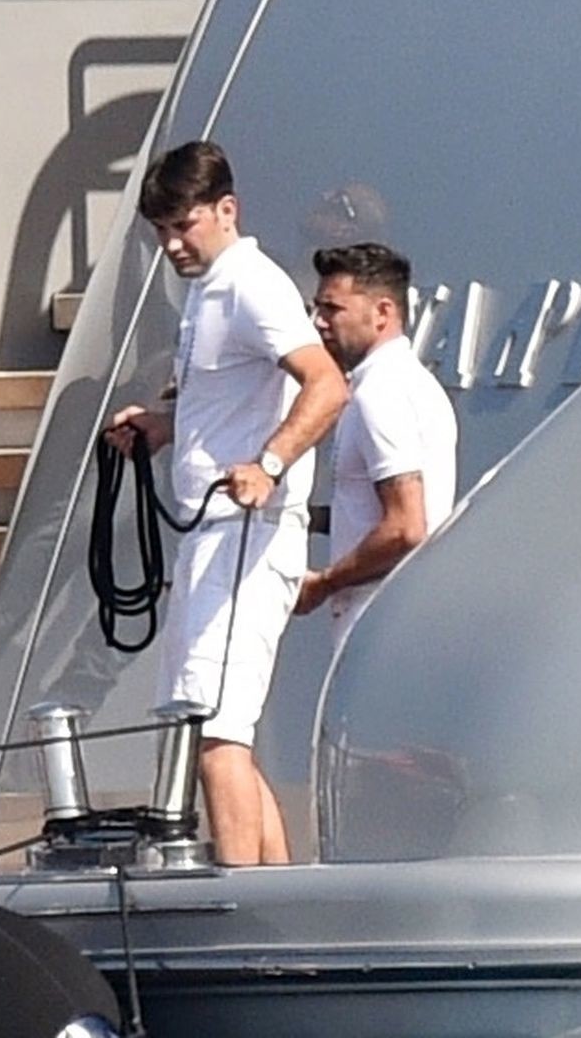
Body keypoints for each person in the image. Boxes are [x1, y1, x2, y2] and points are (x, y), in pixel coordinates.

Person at [106, 140, 347, 865]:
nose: (172, 244)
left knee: (213, 734)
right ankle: (273, 890)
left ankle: (237, 892)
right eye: (161, 231)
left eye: (183, 226)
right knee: (217, 732)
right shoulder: (209, 289)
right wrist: (162, 426)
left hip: (247, 532)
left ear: (225, 210)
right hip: (212, 533)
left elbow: (326, 384)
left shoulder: (251, 284)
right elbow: (229, 400)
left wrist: (269, 464)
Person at [295, 243, 457, 645]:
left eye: (332, 309)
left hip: (377, 619)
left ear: (382, 312)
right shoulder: (408, 383)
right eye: (317, 309)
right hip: (403, 618)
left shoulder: (380, 393)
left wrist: (324, 583)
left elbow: (406, 528)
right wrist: (298, 516)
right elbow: (372, 512)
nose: (318, 323)